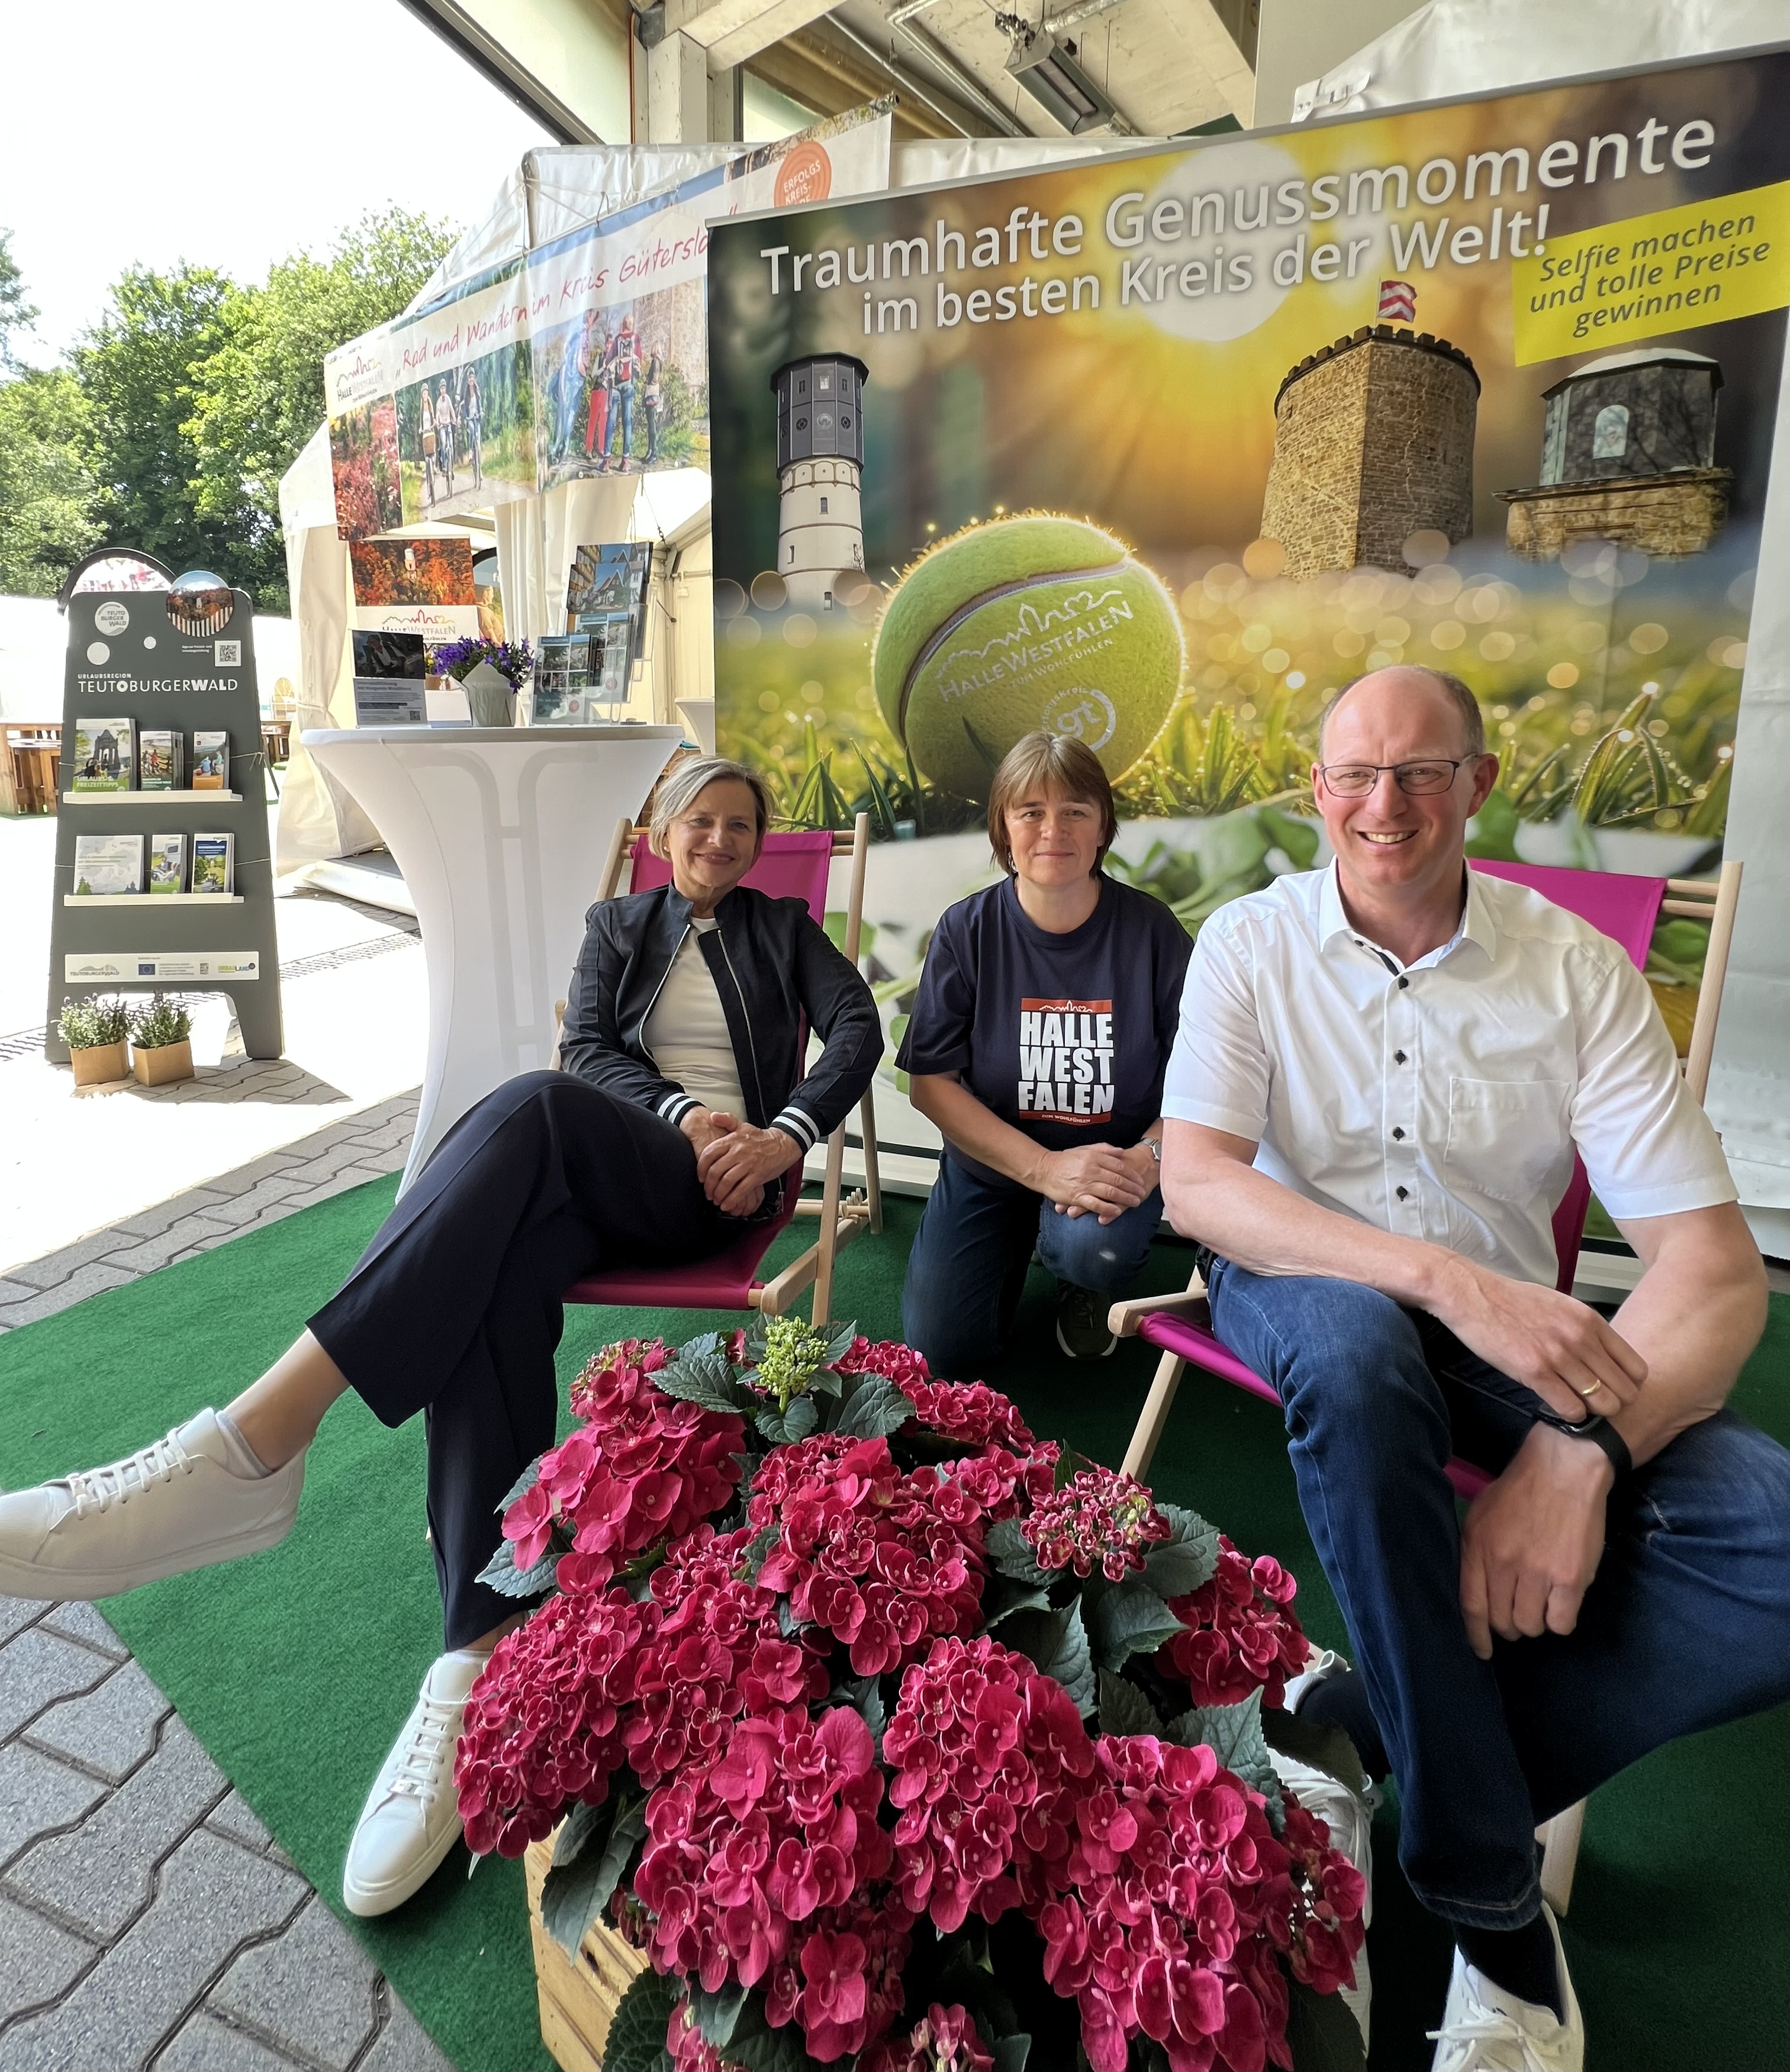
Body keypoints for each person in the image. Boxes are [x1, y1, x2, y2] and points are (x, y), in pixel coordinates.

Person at [0, 757, 881, 1921]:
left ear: (759, 842)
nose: (717, 838)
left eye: (738, 825)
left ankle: (252, 1445)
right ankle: (475, 1648)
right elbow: (596, 1055)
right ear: (662, 833)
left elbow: (859, 1030)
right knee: (501, 1259)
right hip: (628, 1155)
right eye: (698, 821)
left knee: (520, 1105)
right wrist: (680, 1110)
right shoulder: (618, 923)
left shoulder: (783, 928)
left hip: (721, 1186)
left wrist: (777, 1134)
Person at [1158, 664, 1790, 2072]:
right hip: (1305, 1277)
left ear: (1480, 784)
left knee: (1777, 1550)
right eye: (1356, 776)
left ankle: (1359, 1729)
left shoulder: (1574, 969)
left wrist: (1585, 1453)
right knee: (1364, 1345)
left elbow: (1716, 1269)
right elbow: (1197, 1184)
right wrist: (1446, 1279)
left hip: (1517, 1340)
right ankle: (1486, 1897)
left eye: (1423, 772)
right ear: (1317, 791)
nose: (1387, 806)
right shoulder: (1249, 944)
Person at [899, 730, 1192, 1367]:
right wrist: (1043, 1170)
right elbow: (932, 1083)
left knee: (1094, 1250)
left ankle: (1078, 1282)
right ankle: (1013, 1239)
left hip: (1116, 1166)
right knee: (942, 1354)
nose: (1052, 829)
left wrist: (1148, 1159)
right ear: (1004, 829)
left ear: (1102, 828)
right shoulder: (966, 930)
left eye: (1075, 811)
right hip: (996, 1165)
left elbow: (1208, 1082)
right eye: (1030, 811)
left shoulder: (1154, 933)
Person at [463, 362, 484, 489]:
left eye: (473, 377)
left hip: (477, 418)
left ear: (474, 379)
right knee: (471, 430)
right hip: (470, 419)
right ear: (468, 379)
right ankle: (471, 451)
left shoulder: (477, 390)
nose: (471, 379)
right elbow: (464, 407)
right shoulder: (466, 392)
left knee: (479, 444)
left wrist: (481, 412)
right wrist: (465, 417)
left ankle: (480, 471)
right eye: (470, 377)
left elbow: (480, 404)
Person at [642, 347, 664, 464]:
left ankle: (653, 453)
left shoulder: (656, 361)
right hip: (652, 392)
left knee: (652, 425)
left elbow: (654, 379)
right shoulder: (656, 361)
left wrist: (650, 385)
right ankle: (650, 451)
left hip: (652, 393)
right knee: (651, 424)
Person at [417, 384, 436, 506]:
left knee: (433, 456)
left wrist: (434, 422)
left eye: (426, 393)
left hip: (431, 433)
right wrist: (420, 429)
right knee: (427, 459)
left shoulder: (430, 406)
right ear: (422, 395)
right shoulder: (421, 408)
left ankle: (434, 466)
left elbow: (433, 417)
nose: (425, 395)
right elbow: (421, 422)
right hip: (424, 434)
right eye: (423, 393)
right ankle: (430, 489)